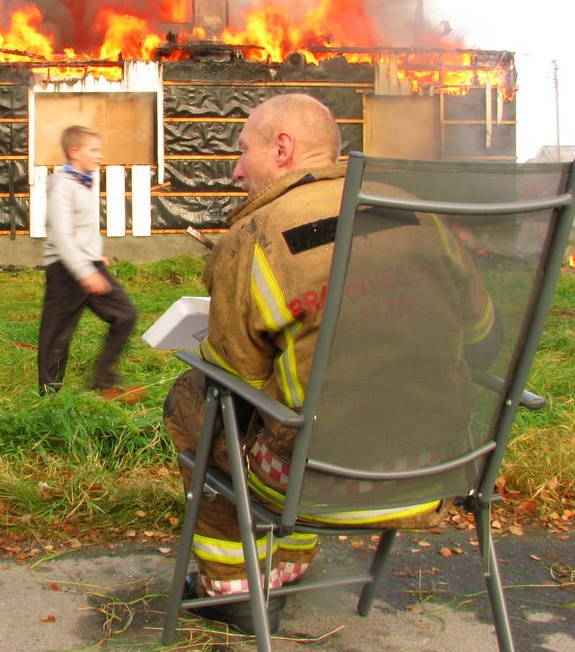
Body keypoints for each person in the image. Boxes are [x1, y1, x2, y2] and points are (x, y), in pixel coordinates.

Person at [163, 93, 498, 634]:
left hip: (319, 481)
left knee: (197, 400)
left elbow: (239, 379)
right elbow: (485, 339)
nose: (235, 168)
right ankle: (289, 564)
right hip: (439, 469)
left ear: (282, 148)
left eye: (242, 150)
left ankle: (236, 588)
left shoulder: (253, 236)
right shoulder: (419, 212)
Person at [37, 125, 139, 402]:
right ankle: (49, 400)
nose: (100, 156)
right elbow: (60, 234)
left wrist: (94, 256)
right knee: (58, 336)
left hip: (88, 264)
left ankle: (103, 382)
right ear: (74, 152)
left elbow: (80, 229)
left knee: (125, 314)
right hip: (66, 270)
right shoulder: (62, 185)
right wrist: (84, 270)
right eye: (93, 150)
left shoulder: (82, 183)